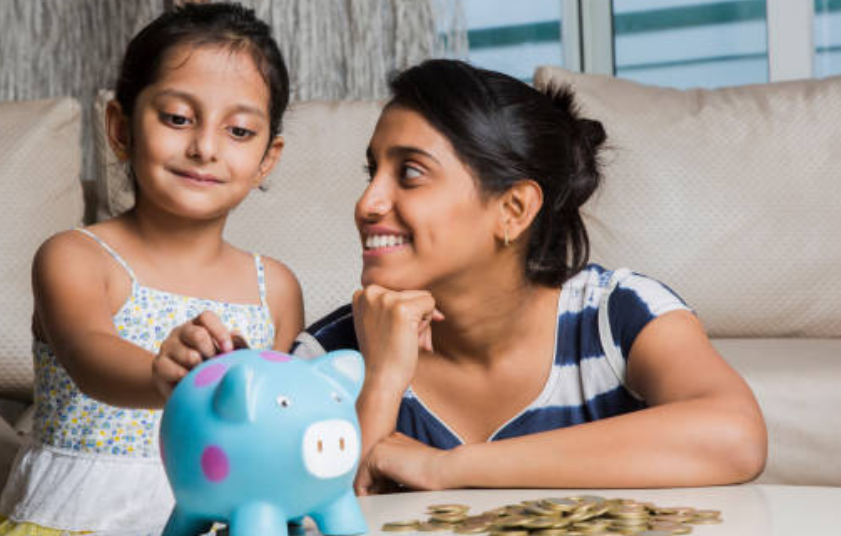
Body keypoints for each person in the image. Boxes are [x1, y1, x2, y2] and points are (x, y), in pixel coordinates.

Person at [293, 59, 767, 494]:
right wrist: (382, 379)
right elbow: (315, 510)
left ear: (513, 209)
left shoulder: (616, 314)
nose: (367, 203)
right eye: (373, 171)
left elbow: (735, 435)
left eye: (411, 173)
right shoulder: (328, 352)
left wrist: (451, 467)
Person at [0, 4, 303, 534]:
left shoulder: (274, 287)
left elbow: (277, 423)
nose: (205, 147)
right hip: (76, 520)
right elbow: (91, 357)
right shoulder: (75, 256)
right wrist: (162, 374)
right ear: (120, 128)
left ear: (267, 159)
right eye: (178, 119)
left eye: (240, 131)